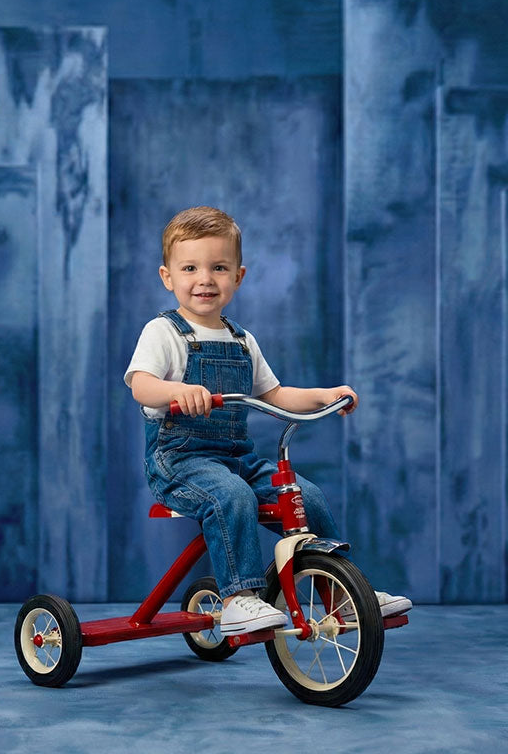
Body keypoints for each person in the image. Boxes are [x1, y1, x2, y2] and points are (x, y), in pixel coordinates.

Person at [125, 206, 412, 636]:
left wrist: (324, 394)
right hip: (179, 462)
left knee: (306, 495)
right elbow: (141, 385)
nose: (205, 279)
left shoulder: (242, 340)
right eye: (190, 268)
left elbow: (274, 394)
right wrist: (176, 391)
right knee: (231, 495)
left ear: (238, 277)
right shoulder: (163, 332)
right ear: (168, 277)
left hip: (237, 457)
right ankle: (240, 597)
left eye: (218, 268)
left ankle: (344, 597)